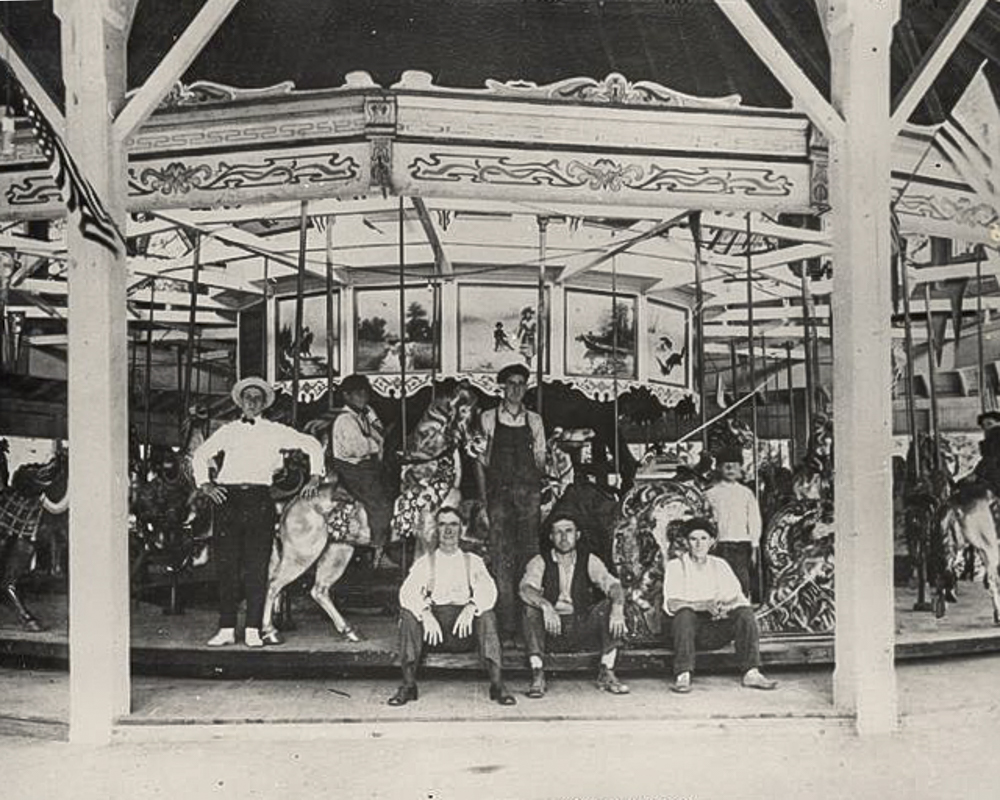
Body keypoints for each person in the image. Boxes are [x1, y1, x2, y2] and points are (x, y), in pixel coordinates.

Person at [192, 377, 325, 648]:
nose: (251, 403)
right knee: (227, 566)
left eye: (257, 398)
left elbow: (311, 444)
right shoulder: (228, 431)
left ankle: (253, 628)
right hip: (227, 499)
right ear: (240, 402)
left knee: (257, 565)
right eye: (247, 398)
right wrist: (205, 484)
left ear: (263, 403)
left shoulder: (275, 430)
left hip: (258, 499)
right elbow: (199, 454)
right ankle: (226, 628)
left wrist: (315, 477)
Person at [388, 506, 515, 706]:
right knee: (408, 615)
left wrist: (471, 607)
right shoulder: (425, 563)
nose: (448, 530)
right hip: (433, 634)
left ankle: (497, 685)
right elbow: (407, 592)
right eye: (443, 524)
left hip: (464, 633)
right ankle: (408, 685)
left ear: (462, 529)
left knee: (487, 615)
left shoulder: (472, 561)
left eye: (454, 524)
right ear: (436, 530)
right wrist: (425, 612)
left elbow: (489, 590)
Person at [519, 513, 629, 697]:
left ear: (577, 535)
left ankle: (607, 670)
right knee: (530, 609)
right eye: (558, 532)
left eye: (569, 531)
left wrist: (618, 607)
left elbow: (612, 584)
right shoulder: (540, 561)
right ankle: (537, 673)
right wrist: (546, 605)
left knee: (609, 605)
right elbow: (525, 589)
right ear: (551, 537)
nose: (564, 537)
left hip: (581, 625)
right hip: (551, 630)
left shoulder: (589, 560)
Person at [664, 518, 777, 694]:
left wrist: (725, 608)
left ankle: (751, 672)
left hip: (717, 627)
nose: (699, 544)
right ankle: (683, 675)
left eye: (703, 539)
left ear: (711, 542)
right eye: (693, 539)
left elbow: (737, 597)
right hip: (689, 633)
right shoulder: (675, 566)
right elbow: (672, 604)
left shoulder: (720, 565)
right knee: (684, 614)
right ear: (686, 542)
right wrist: (703, 606)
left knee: (744, 613)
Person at [477, 362, 547, 642]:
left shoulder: (535, 420)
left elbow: (540, 460)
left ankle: (527, 624)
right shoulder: (488, 418)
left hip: (528, 497)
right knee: (501, 558)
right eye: (512, 383)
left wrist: (533, 488)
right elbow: (480, 462)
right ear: (502, 387)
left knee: (529, 556)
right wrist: (484, 501)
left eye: (522, 383)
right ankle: (506, 627)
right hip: (499, 498)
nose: (517, 389)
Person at [330, 374, 394, 567]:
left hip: (364, 465)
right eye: (358, 393)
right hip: (352, 467)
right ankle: (378, 549)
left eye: (365, 393)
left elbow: (380, 434)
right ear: (347, 396)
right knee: (379, 500)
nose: (363, 396)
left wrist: (380, 440)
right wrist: (377, 445)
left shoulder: (362, 415)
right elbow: (358, 448)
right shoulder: (345, 420)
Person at [704, 448, 761, 597]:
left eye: (734, 465)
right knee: (718, 582)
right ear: (718, 468)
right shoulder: (710, 494)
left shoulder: (746, 493)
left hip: (741, 544)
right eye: (725, 465)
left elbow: (754, 520)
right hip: (719, 545)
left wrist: (754, 546)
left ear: (740, 468)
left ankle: (741, 612)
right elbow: (705, 521)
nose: (730, 468)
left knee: (742, 581)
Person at [974, 410, 1000, 493]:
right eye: (984, 426)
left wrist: (976, 474)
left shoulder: (995, 437)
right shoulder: (991, 439)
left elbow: (990, 459)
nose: (987, 428)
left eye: (990, 424)